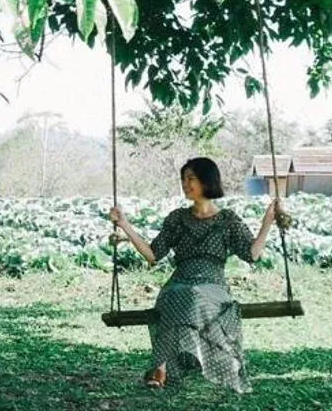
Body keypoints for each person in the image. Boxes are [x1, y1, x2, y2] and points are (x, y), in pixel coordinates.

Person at [109, 156, 287, 393]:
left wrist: (268, 222)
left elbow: (251, 254)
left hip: (213, 285)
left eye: (190, 178)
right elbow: (152, 255)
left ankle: (176, 364)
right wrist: (124, 225)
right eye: (183, 179)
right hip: (179, 281)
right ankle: (160, 366)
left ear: (206, 180)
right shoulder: (177, 219)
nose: (185, 184)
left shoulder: (227, 220)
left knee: (193, 294)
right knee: (173, 295)